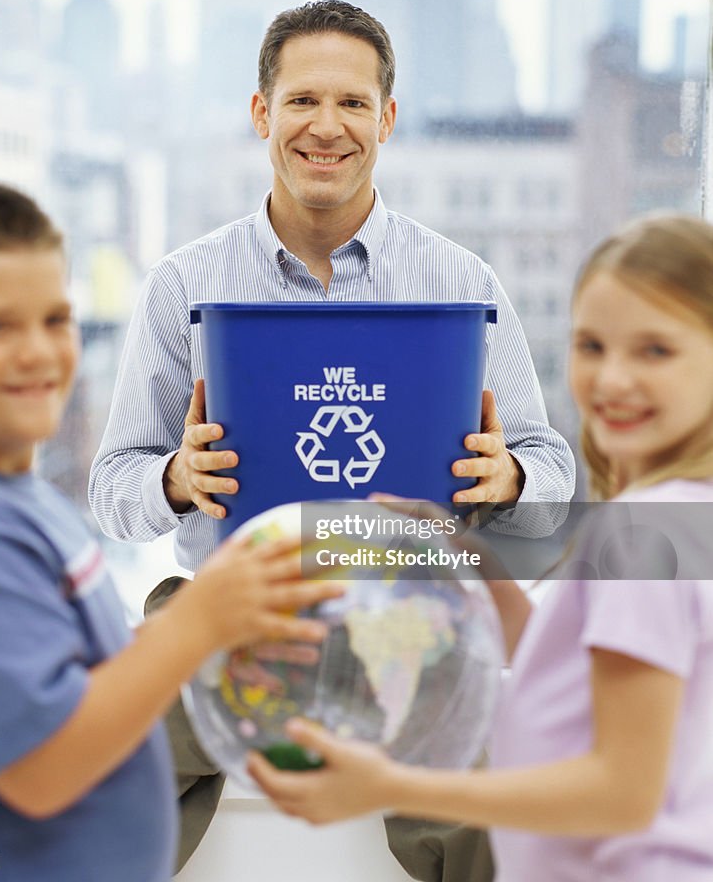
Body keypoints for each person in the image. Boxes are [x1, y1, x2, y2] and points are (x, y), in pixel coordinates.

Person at [88, 0, 574, 880]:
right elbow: (110, 490)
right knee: (86, 750)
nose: (326, 126)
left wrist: (506, 478)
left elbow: (549, 475)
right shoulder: (185, 283)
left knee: (496, 794)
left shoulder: (462, 282)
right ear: (260, 113)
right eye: (302, 99)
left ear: (385, 120)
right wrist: (172, 477)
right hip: (229, 617)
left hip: (409, 621)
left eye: (352, 103)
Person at [249, 212, 713, 882]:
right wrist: (462, 555)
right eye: (590, 346)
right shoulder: (682, 520)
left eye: (654, 351)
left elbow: (620, 793)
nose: (611, 380)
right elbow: (566, 671)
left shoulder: (643, 535)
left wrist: (391, 787)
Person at [0, 178, 342, 882]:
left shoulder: (13, 503)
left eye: (55, 320)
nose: (38, 353)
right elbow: (41, 767)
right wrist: (198, 621)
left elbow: (73, 684)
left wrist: (212, 631)